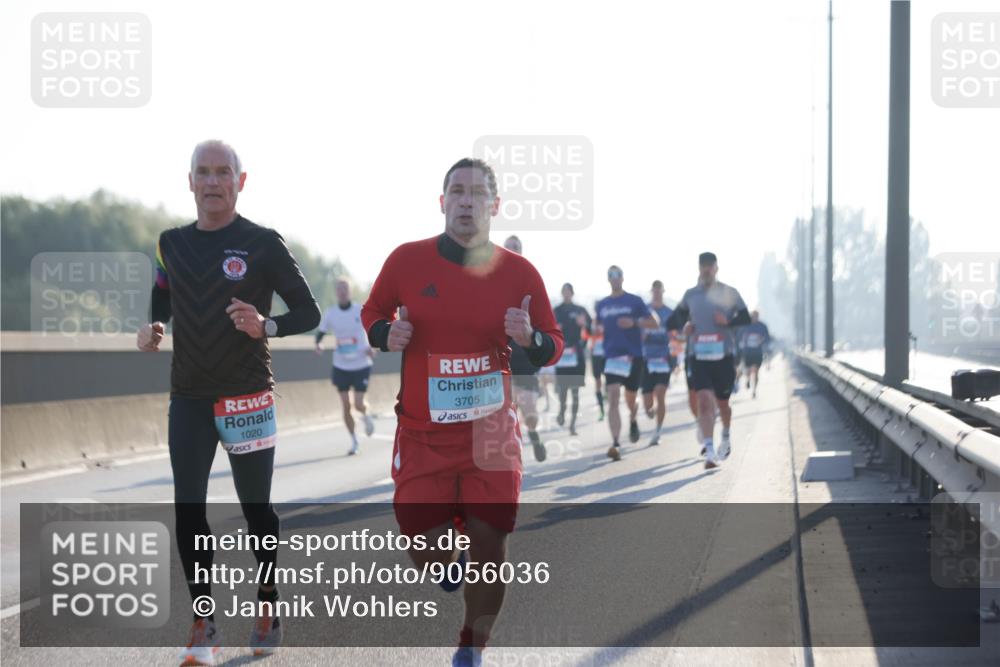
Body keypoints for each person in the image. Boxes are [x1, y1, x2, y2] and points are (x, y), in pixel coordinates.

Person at [361, 158, 563, 667]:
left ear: (494, 206)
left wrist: (530, 338)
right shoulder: (407, 261)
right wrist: (387, 334)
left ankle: (472, 647)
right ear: (443, 202)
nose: (467, 201)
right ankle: (447, 563)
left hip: (491, 433)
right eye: (457, 191)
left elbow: (553, 343)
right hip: (424, 434)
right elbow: (372, 311)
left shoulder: (520, 273)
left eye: (477, 193)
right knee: (422, 543)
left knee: (490, 548)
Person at [137, 140, 321, 665]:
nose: (213, 181)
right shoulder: (169, 242)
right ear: (189, 181)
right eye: (204, 172)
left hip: (247, 398)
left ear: (241, 182)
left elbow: (308, 312)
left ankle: (266, 602)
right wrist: (153, 327)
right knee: (189, 509)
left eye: (223, 172)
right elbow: (162, 295)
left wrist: (268, 325)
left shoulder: (263, 243)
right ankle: (203, 623)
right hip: (189, 397)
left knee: (256, 509)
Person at [667, 252, 750, 469]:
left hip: (723, 356)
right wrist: (684, 327)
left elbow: (745, 317)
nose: (705, 270)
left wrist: (728, 321)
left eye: (709, 266)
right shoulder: (691, 295)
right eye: (702, 266)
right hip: (698, 356)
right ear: (698, 269)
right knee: (703, 400)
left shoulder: (728, 292)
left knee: (723, 404)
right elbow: (674, 319)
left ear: (716, 268)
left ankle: (725, 434)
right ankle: (710, 451)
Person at [595, 266, 658, 460]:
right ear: (608, 279)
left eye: (617, 275)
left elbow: (654, 322)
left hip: (633, 356)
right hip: (612, 357)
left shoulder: (634, 301)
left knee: (631, 398)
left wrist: (635, 323)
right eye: (611, 275)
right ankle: (615, 443)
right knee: (613, 397)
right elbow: (597, 327)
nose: (614, 278)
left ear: (623, 278)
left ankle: (632, 418)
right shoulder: (602, 305)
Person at [315, 277, 376, 454]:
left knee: (358, 404)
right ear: (336, 292)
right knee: (346, 405)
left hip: (361, 363)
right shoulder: (331, 313)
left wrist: (371, 347)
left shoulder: (360, 311)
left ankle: (365, 415)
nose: (342, 291)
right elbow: (320, 333)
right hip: (341, 365)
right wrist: (318, 344)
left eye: (345, 288)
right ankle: (354, 441)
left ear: (349, 291)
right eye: (339, 288)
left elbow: (372, 328)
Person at [502, 235, 547, 462]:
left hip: (525, 359)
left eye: (516, 248)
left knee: (529, 411)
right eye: (507, 248)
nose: (511, 251)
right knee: (504, 414)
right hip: (501, 360)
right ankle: (512, 453)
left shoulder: (530, 281)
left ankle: (533, 433)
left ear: (522, 251)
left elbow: (544, 321)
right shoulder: (492, 281)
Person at [553, 283, 592, 436]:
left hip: (576, 354)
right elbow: (548, 330)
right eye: (564, 292)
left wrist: (584, 326)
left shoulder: (580, 310)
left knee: (575, 392)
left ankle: (573, 424)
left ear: (572, 293)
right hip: (562, 354)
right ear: (562, 293)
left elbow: (591, 330)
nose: (566, 294)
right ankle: (562, 410)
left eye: (569, 291)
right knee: (563, 391)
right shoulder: (556, 311)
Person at [641, 280, 675, 447]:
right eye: (654, 291)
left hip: (663, 358)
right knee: (648, 404)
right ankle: (651, 409)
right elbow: (636, 333)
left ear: (663, 291)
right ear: (651, 291)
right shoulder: (644, 311)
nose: (657, 293)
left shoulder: (669, 312)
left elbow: (676, 333)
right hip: (646, 359)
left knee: (660, 393)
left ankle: (658, 431)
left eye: (659, 291)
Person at [740, 310, 771, 398]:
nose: (754, 318)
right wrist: (742, 341)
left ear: (758, 316)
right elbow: (739, 335)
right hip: (747, 351)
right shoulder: (745, 326)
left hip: (758, 351)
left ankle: (754, 390)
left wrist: (762, 340)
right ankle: (748, 379)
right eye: (753, 316)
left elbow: (768, 338)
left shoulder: (762, 326)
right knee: (749, 370)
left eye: (756, 316)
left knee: (756, 371)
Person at [586, 314, 606, 421]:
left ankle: (607, 393)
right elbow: (585, 335)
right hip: (596, 356)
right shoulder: (591, 323)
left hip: (607, 355)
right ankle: (601, 410)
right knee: (597, 382)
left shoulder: (607, 321)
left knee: (610, 381)